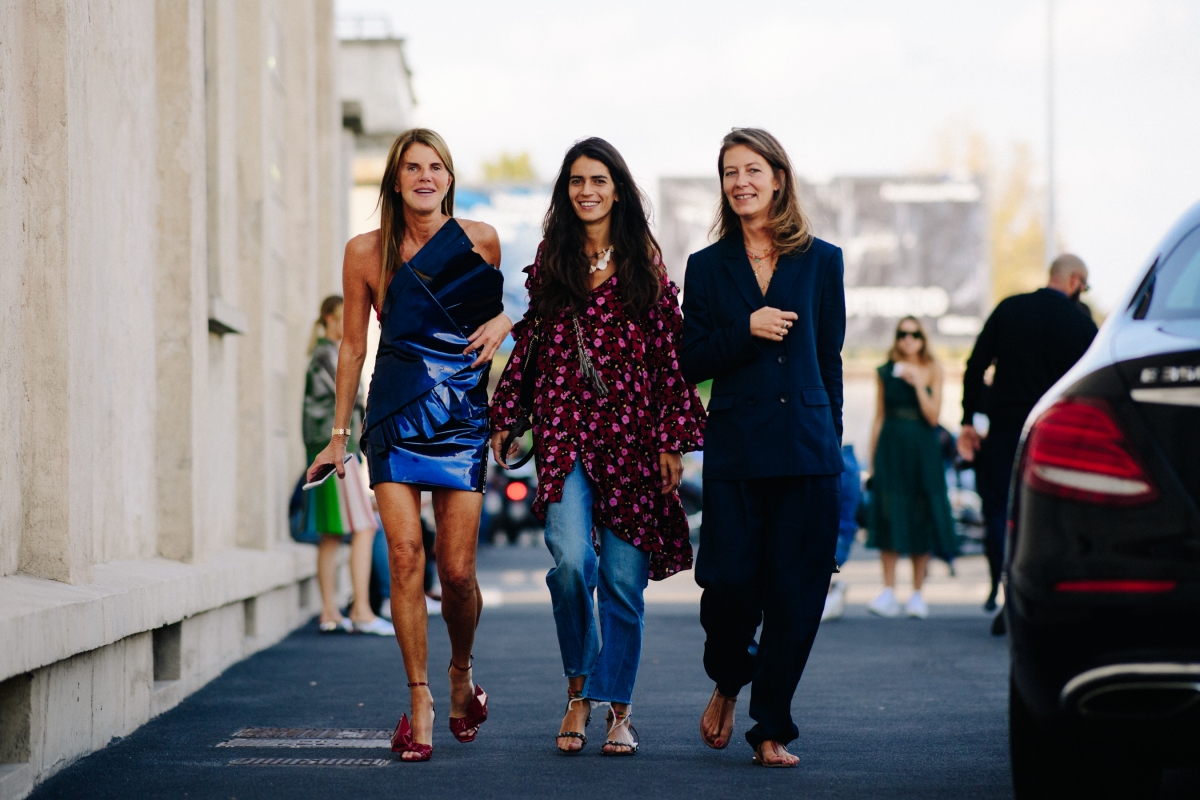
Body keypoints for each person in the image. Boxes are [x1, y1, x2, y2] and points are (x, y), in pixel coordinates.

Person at [491, 138, 705, 756]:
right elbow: (532, 342)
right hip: (564, 434)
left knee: (620, 582)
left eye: (599, 180)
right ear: (567, 191)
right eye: (577, 181)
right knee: (569, 562)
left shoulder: (644, 265)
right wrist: (509, 413)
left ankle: (619, 709)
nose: (587, 191)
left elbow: (669, 357)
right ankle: (579, 688)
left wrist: (671, 441)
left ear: (618, 191)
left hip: (633, 440)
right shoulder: (552, 259)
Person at [306, 128, 512, 762]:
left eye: (436, 167)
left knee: (457, 571)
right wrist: (337, 437)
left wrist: (506, 321)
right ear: (395, 180)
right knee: (403, 556)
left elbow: (497, 314)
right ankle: (419, 698)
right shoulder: (364, 251)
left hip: (462, 413)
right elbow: (352, 347)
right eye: (413, 167)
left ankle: (460, 672)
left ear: (449, 178)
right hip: (394, 413)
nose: (425, 177)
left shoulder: (481, 240)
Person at [681, 128, 845, 768]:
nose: (741, 182)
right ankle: (728, 677)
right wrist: (745, 330)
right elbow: (691, 360)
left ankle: (771, 725)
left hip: (806, 450)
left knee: (796, 596)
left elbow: (828, 360)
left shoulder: (822, 260)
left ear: (778, 178)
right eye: (730, 172)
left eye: (752, 169)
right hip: (737, 451)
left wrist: (830, 440)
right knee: (726, 587)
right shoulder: (706, 266)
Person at [958, 253, 1098, 626]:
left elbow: (975, 366)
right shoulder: (1081, 324)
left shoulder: (1010, 309)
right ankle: (1044, 600)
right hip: (1056, 434)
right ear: (1074, 281)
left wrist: (968, 419)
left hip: (1006, 430)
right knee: (1053, 514)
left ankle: (1006, 592)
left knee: (998, 511)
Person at [302, 295, 393, 636]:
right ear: (328, 318)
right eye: (342, 317)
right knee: (366, 526)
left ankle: (330, 612)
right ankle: (361, 611)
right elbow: (351, 394)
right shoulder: (329, 354)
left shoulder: (320, 354)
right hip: (335, 451)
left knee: (331, 534)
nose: (347, 323)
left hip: (324, 448)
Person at [865, 316, 958, 620]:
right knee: (888, 513)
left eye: (915, 334)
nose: (908, 339)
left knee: (921, 515)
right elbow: (879, 416)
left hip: (922, 449)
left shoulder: (933, 369)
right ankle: (888, 591)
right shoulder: (884, 371)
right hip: (891, 448)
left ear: (922, 339)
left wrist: (918, 383)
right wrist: (872, 459)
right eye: (903, 334)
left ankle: (917, 593)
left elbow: (933, 417)